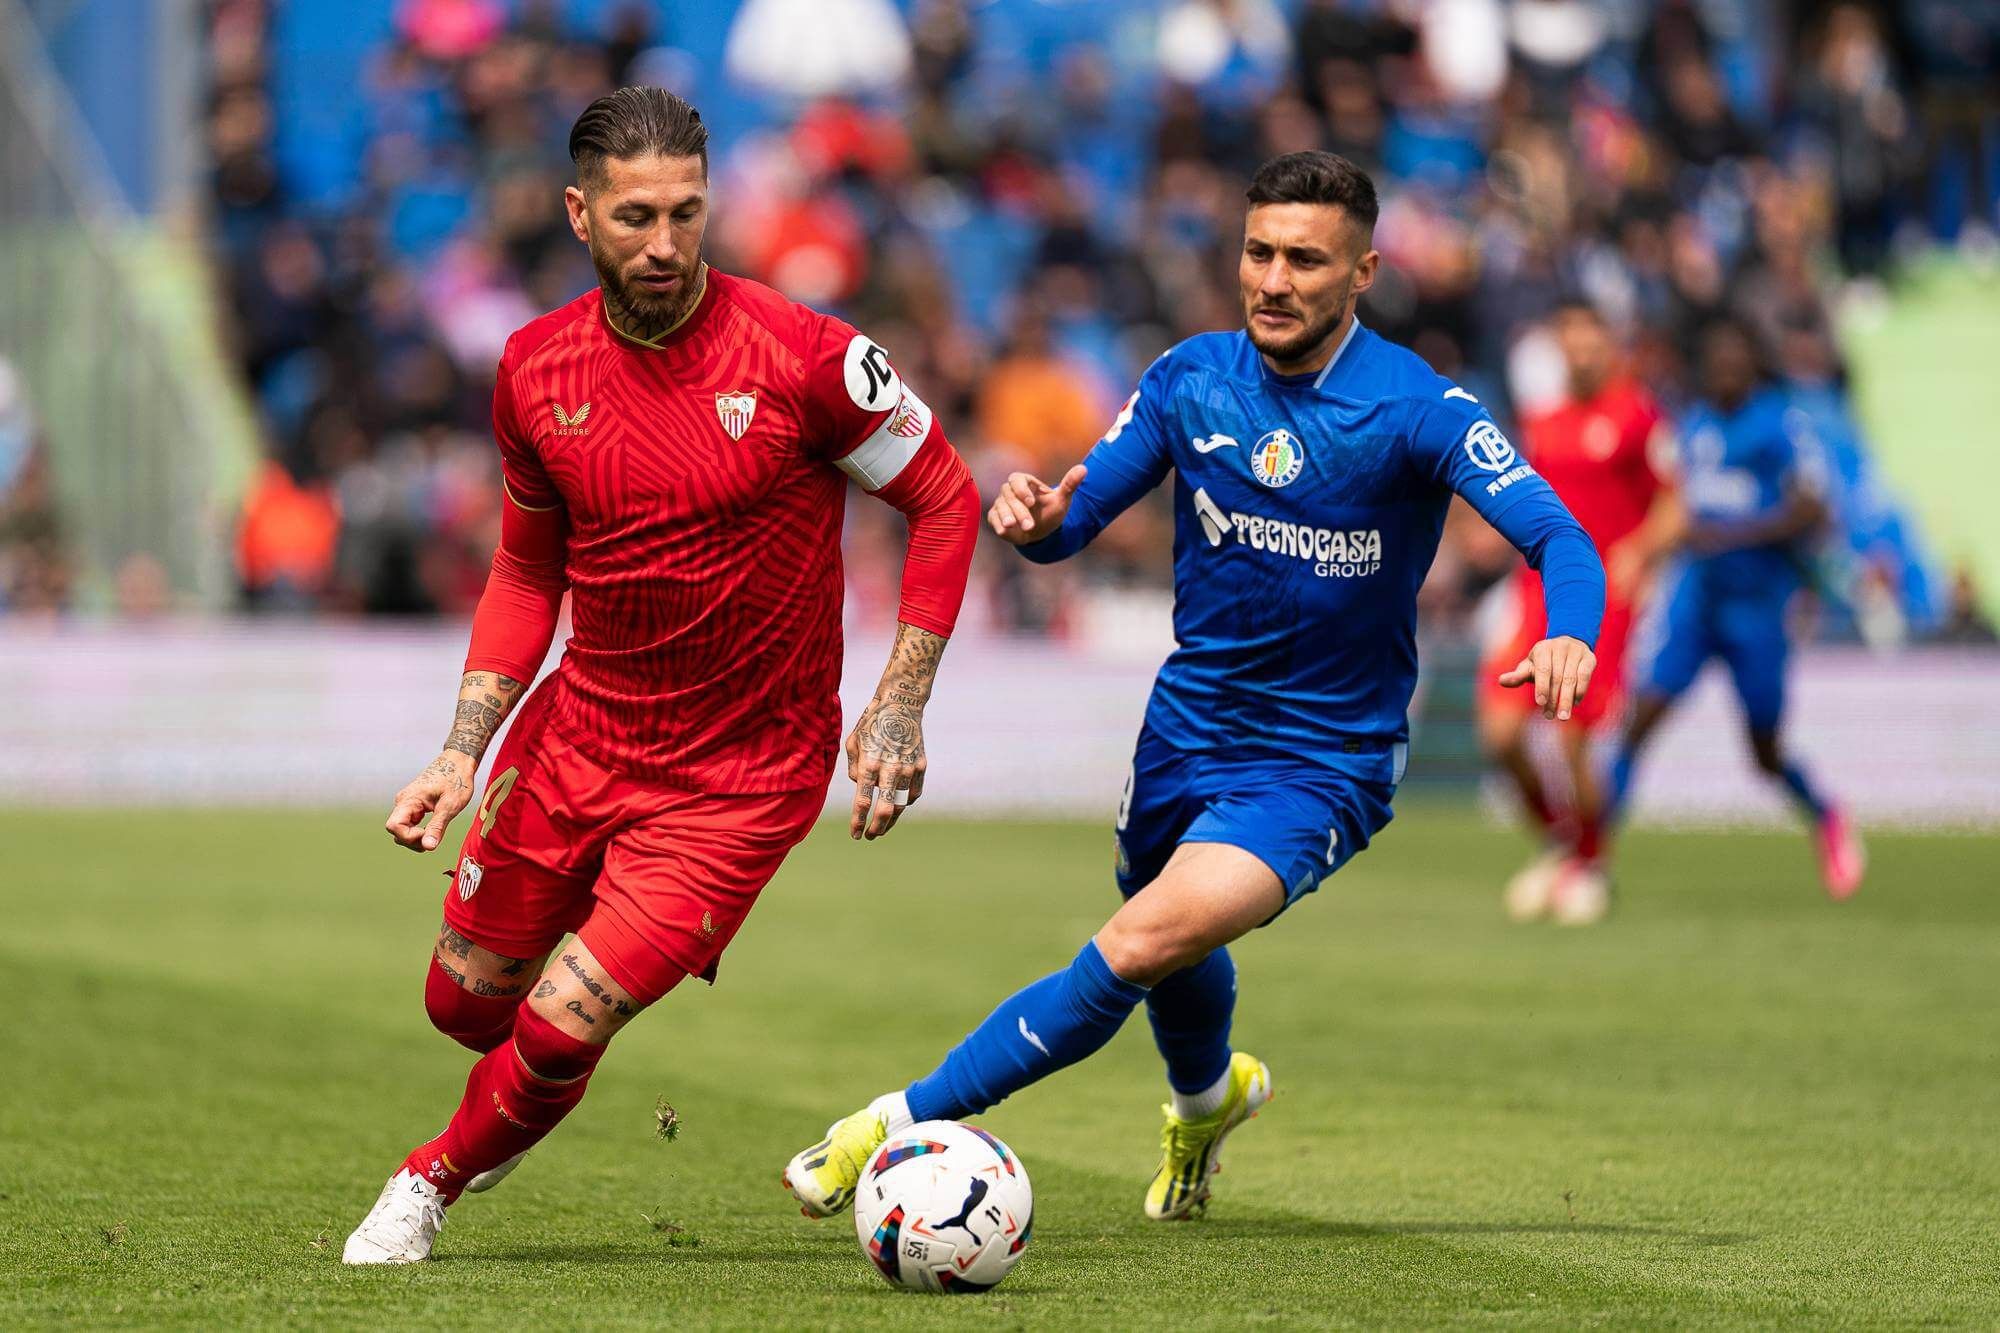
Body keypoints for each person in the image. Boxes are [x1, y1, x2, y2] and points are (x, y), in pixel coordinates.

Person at [782, 151, 1605, 1224]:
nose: (1271, 279)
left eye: (1304, 260)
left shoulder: (1417, 408)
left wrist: (1570, 635)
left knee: (1137, 941)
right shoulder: (1187, 377)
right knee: (1166, 931)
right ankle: (1205, 1101)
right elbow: (1073, 519)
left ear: (1360, 272)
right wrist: (1035, 523)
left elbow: (1558, 535)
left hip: (1321, 762)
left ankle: (885, 1127)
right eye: (1257, 252)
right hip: (1182, 731)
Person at [342, 87, 981, 1265]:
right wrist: (459, 748)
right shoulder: (534, 368)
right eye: (636, 217)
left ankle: (426, 1182)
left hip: (742, 774)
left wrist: (898, 702)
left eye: (687, 212)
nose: (665, 243)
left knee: (555, 1022)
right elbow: (527, 572)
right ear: (580, 214)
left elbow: (944, 497)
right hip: (579, 734)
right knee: (463, 1007)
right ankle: (537, 1058)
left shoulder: (813, 359)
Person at [1604, 318, 1863, 898]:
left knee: (1763, 753)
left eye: (1732, 362)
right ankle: (1591, 860)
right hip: (1696, 601)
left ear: (1750, 366)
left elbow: (1812, 510)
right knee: (1637, 723)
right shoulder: (1693, 426)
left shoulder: (1779, 425)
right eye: (1714, 363)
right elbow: (1679, 507)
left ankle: (1826, 815)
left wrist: (1736, 534)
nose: (1722, 372)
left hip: (1757, 609)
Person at [1478, 300, 1676, 925]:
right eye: (1570, 342)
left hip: (1601, 608)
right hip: (1535, 595)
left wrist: (1638, 552)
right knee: (1500, 735)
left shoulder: (1638, 416)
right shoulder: (1543, 421)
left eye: (1591, 341)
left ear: (1608, 344)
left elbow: (1676, 508)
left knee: (1572, 743)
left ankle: (1591, 862)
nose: (1582, 352)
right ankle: (1564, 842)